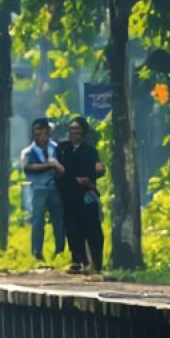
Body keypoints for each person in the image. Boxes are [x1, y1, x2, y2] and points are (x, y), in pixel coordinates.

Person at [55, 116, 105, 274]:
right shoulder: (62, 149)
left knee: (92, 229)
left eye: (77, 131)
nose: (74, 134)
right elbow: (59, 171)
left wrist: (88, 179)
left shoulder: (90, 151)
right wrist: (75, 179)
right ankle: (78, 260)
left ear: (83, 133)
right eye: (71, 130)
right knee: (72, 229)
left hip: (86, 195)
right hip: (68, 194)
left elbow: (95, 170)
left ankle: (96, 264)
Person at [21, 118, 66, 264]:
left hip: (55, 189)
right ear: (33, 132)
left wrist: (55, 167)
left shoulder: (57, 148)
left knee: (58, 221)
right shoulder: (28, 151)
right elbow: (27, 167)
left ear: (49, 131)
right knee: (38, 221)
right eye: (37, 130)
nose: (41, 133)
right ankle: (37, 252)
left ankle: (60, 250)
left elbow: (63, 167)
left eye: (43, 129)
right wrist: (50, 165)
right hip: (38, 189)